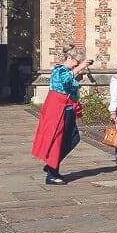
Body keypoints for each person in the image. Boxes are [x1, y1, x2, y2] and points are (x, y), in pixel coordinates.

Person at [30, 48, 90, 184]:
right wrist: (80, 67)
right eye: (76, 62)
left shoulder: (69, 71)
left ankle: (51, 166)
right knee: (57, 139)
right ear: (69, 58)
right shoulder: (60, 70)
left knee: (73, 138)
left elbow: (72, 86)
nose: (77, 65)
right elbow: (65, 80)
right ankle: (52, 174)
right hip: (57, 109)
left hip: (67, 108)